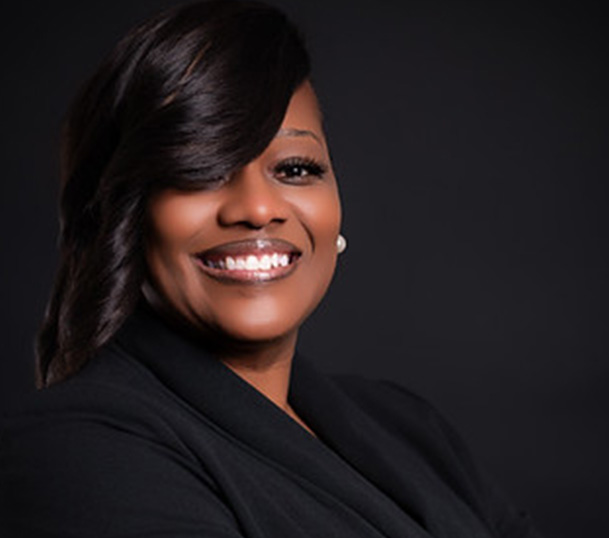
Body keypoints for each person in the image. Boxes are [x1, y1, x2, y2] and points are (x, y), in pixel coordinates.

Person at [0, 1, 542, 536]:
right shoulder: (78, 454)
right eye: (202, 169)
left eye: (295, 168)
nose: (258, 209)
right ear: (122, 214)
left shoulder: (408, 428)